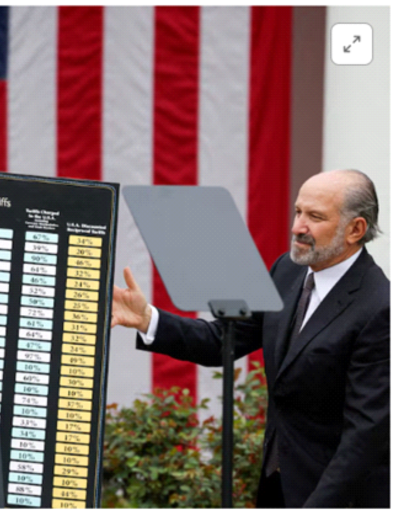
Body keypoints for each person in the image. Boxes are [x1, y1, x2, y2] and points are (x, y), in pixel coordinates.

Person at [112, 169, 389, 508]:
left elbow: (365, 437)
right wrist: (147, 319)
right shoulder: (287, 270)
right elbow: (222, 340)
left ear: (355, 230)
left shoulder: (380, 307)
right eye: (298, 211)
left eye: (315, 217)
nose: (297, 227)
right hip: (276, 485)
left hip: (334, 499)